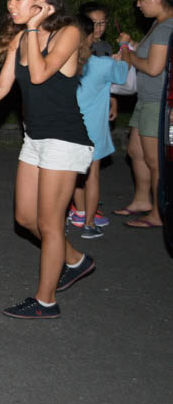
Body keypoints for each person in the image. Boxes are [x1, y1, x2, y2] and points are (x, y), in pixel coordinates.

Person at [0, 0, 94, 319]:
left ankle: (46, 301)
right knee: (25, 218)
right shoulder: (20, 39)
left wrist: (31, 29)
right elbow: (2, 88)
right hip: (35, 138)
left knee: (49, 225)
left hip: (65, 139)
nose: (10, 5)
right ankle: (75, 260)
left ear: (41, 1)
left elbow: (40, 74)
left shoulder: (70, 31)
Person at [115, 0, 173, 229]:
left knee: (154, 160)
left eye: (141, 0)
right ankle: (142, 201)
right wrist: (132, 45)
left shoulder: (165, 27)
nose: (138, 5)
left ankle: (160, 214)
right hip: (146, 99)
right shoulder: (159, 24)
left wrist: (128, 55)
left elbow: (152, 68)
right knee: (135, 152)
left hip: (157, 103)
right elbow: (150, 54)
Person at [70, 15, 129, 238]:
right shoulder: (102, 63)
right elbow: (123, 74)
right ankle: (88, 224)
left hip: (69, 127)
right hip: (92, 129)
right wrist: (124, 47)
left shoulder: (65, 62)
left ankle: (77, 212)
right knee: (92, 176)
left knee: (74, 174)